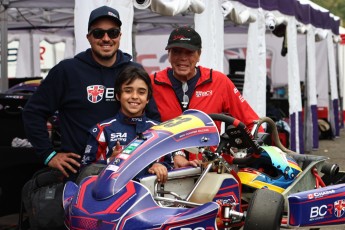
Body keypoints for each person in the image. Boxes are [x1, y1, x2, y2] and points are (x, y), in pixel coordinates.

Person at [22, 5, 160, 179]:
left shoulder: (133, 70)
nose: (106, 38)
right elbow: (32, 112)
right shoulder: (67, 71)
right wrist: (49, 155)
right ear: (88, 37)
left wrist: (157, 160)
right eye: (98, 33)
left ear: (119, 36)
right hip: (81, 175)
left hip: (131, 172)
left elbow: (154, 120)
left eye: (112, 32)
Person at [150, 26, 262, 168]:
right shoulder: (152, 83)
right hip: (164, 172)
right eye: (176, 51)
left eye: (189, 52)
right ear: (169, 53)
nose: (183, 58)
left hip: (209, 168)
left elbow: (251, 123)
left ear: (199, 54)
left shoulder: (218, 81)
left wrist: (263, 150)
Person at [82, 66, 171, 183]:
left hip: (150, 198)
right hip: (114, 198)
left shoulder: (161, 131)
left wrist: (162, 166)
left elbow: (172, 166)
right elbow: (85, 174)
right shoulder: (102, 130)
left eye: (141, 92)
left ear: (148, 98)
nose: (134, 96)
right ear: (118, 95)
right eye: (128, 91)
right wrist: (110, 162)